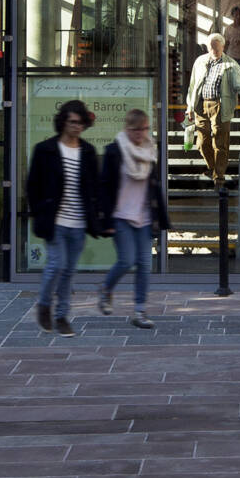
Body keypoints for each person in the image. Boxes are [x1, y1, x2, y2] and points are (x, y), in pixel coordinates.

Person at [24, 99, 106, 336]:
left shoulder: (88, 151)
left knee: (69, 270)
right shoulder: (45, 150)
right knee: (56, 265)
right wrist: (38, 211)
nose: (76, 126)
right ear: (63, 122)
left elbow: (95, 187)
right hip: (55, 220)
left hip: (79, 222)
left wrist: (99, 216)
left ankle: (62, 317)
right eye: (72, 122)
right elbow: (33, 185)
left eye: (80, 122)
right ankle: (44, 305)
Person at [96, 107, 167, 328]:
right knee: (127, 260)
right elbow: (105, 187)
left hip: (144, 216)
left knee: (144, 265)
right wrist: (105, 220)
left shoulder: (150, 151)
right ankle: (106, 288)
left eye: (144, 129)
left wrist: (159, 216)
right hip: (120, 215)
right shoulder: (115, 151)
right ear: (127, 128)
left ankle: (139, 311)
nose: (140, 134)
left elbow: (153, 186)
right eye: (136, 129)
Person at [184, 32, 240, 185]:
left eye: (217, 47)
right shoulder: (200, 61)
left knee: (220, 143)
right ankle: (212, 166)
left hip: (220, 106)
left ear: (223, 46)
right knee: (202, 142)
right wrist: (189, 106)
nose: (214, 50)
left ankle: (219, 176)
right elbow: (193, 86)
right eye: (211, 47)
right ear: (208, 47)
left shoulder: (231, 65)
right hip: (200, 106)